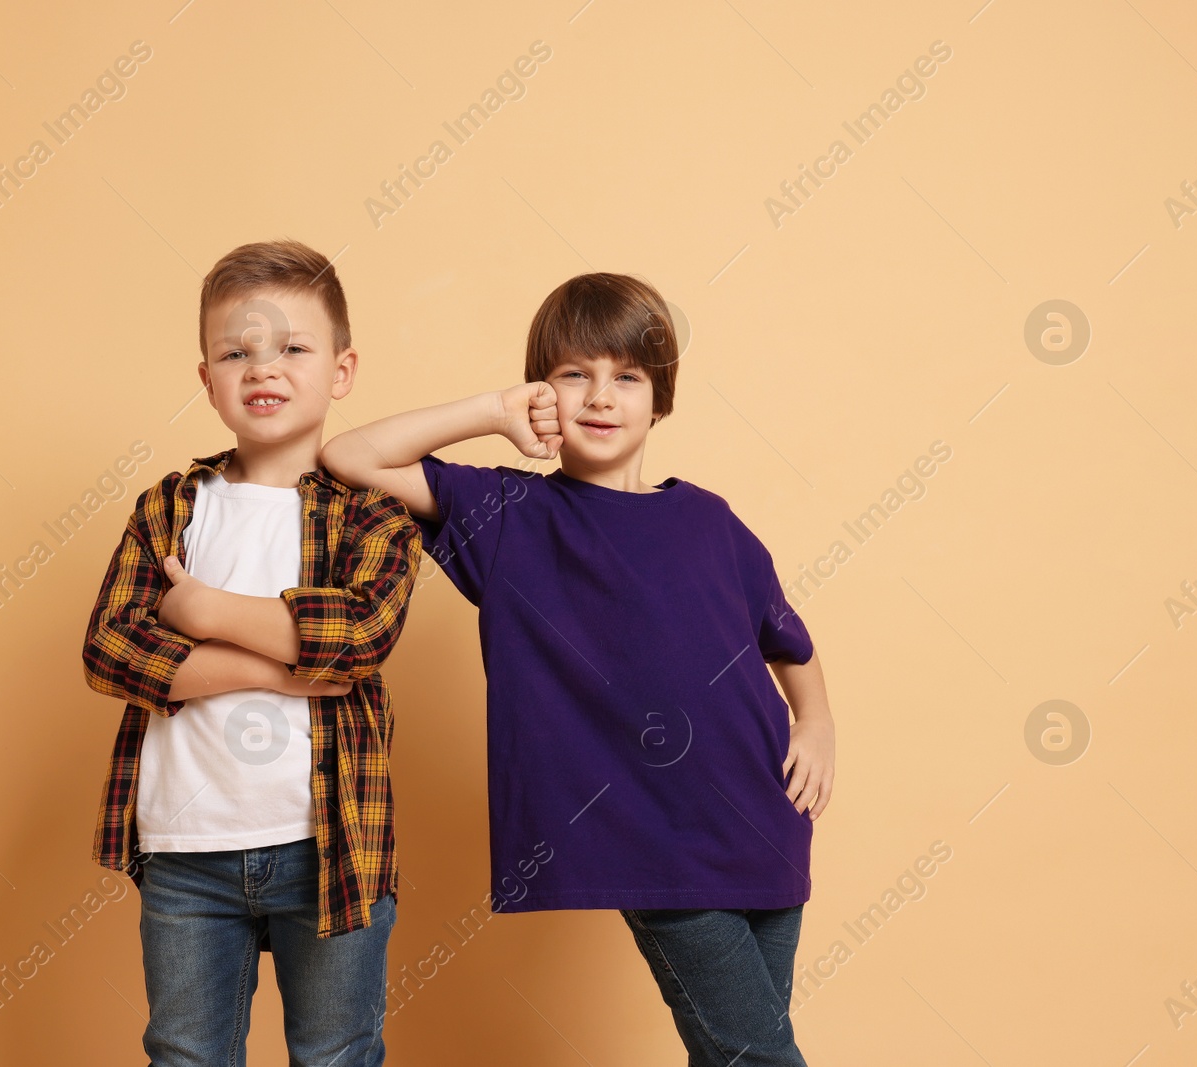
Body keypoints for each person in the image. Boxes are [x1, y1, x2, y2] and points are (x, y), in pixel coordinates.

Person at [320, 272, 835, 1066]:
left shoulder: (712, 519)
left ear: (659, 399)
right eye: (573, 374)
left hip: (764, 825)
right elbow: (346, 455)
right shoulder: (506, 516)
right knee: (759, 1059)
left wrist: (817, 722)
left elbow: (787, 641)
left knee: (741, 1052)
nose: (600, 396)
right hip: (656, 846)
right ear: (541, 390)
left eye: (626, 376)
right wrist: (491, 413)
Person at [81, 239, 421, 1066]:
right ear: (207, 378)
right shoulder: (172, 506)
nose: (262, 369)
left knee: (337, 1051)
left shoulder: (372, 514)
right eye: (236, 353)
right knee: (186, 1052)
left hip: (331, 845)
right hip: (186, 848)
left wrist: (200, 609)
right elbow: (110, 647)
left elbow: (360, 635)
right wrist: (283, 666)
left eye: (292, 349)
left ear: (341, 370)